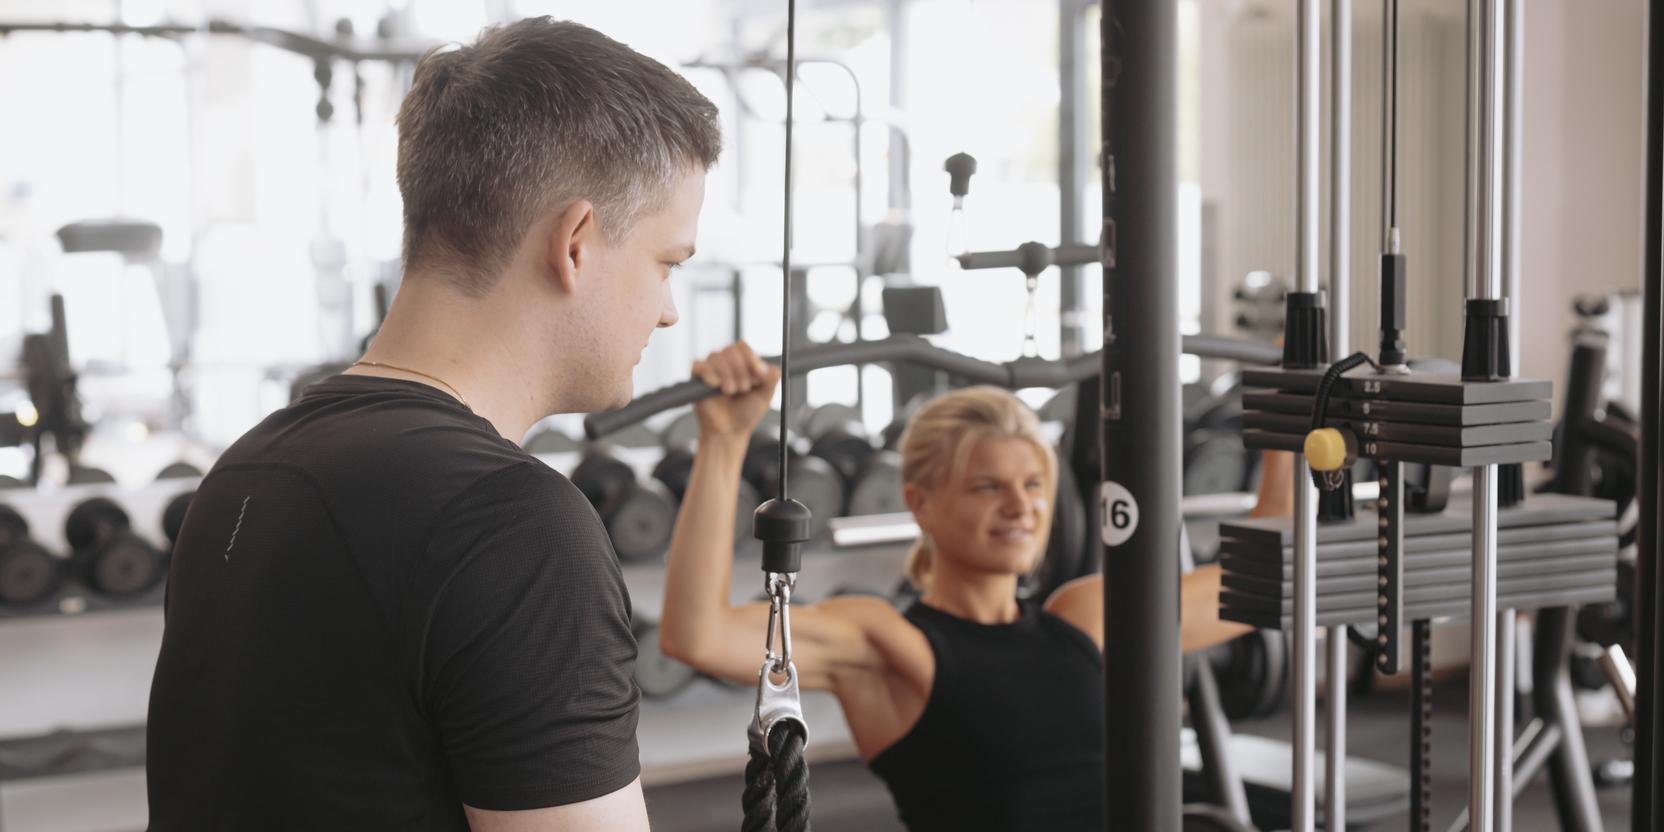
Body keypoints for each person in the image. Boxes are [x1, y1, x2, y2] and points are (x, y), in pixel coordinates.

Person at [146, 18, 721, 831]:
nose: (667, 312)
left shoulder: (250, 469)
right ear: (578, 243)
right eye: (668, 263)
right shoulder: (512, 526)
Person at [660, 343, 1281, 832]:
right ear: (919, 503)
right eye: (988, 487)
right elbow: (700, 634)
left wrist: (1289, 404)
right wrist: (724, 439)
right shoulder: (891, 646)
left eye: (1033, 485)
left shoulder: (1083, 617)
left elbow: (1268, 578)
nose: (1020, 507)